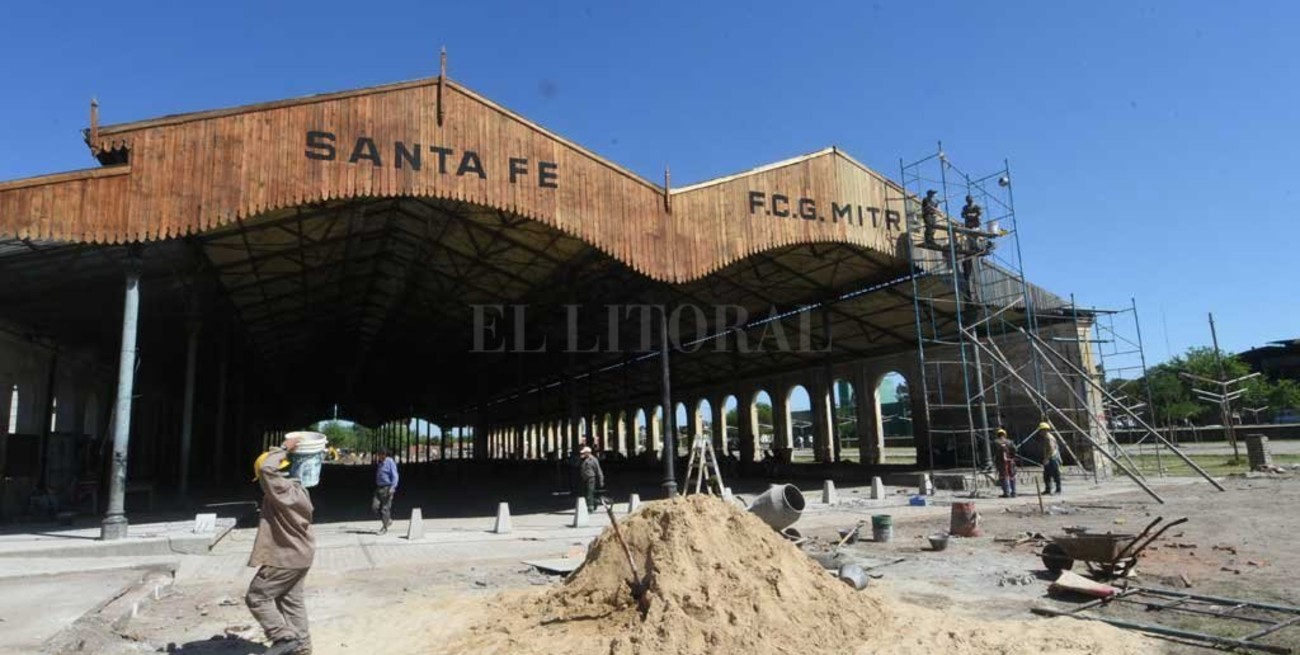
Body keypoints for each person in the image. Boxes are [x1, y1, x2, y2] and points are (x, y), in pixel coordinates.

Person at [246, 435, 315, 655]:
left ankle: (282, 636)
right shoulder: (299, 491)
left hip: (284, 558)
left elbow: (267, 469)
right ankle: (302, 649)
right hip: (301, 557)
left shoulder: (281, 491)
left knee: (257, 597)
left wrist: (285, 447)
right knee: (292, 602)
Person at [372, 447, 399, 535]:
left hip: (387, 488)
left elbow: (395, 475)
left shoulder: (390, 462)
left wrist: (393, 487)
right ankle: (388, 520)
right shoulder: (380, 463)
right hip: (379, 488)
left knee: (385, 509)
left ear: (384, 455)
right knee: (374, 507)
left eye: (379, 455)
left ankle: (384, 528)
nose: (378, 457)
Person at [1038, 422, 1062, 495]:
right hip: (1050, 458)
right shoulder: (1046, 437)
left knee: (1055, 474)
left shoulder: (1049, 438)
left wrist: (1046, 459)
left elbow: (1051, 449)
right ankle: (1048, 489)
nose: (1040, 432)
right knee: (1047, 475)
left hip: (1053, 458)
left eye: (1041, 430)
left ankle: (1058, 490)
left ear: (1045, 430)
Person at [578, 446, 605, 513]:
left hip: (591, 478)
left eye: (584, 453)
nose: (583, 454)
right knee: (585, 493)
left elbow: (598, 470)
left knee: (590, 493)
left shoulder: (593, 460)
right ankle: (594, 503)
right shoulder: (583, 460)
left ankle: (590, 508)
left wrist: (601, 480)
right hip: (584, 478)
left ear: (588, 453)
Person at [994, 429, 1017, 498]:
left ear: (998, 435)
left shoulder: (996, 442)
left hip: (1001, 462)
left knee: (1003, 476)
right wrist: (1012, 457)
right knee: (1012, 476)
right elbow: (1015, 449)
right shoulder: (1010, 442)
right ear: (1005, 435)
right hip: (1010, 461)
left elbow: (993, 452)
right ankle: (1014, 492)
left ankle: (1006, 493)